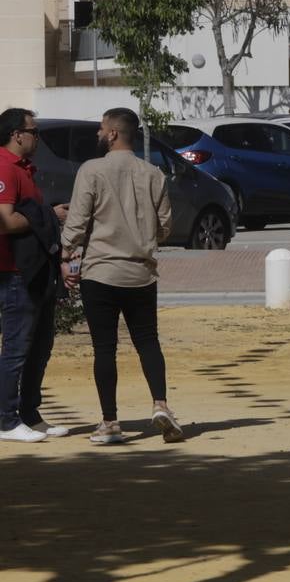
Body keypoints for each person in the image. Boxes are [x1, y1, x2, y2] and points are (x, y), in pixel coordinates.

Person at [60, 108, 180, 445]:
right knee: (147, 341)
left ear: (113, 133)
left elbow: (78, 221)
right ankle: (161, 404)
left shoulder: (92, 170)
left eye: (101, 128)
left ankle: (110, 422)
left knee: (104, 348)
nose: (98, 134)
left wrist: (66, 253)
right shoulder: (153, 173)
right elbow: (165, 227)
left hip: (100, 271)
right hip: (141, 272)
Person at [0, 108, 71, 443]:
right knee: (17, 348)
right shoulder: (4, 166)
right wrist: (49, 215)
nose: (37, 137)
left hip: (36, 271)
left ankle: (29, 413)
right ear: (17, 134)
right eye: (34, 131)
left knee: (40, 347)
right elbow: (6, 221)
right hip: (15, 272)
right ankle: (6, 420)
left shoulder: (26, 169)